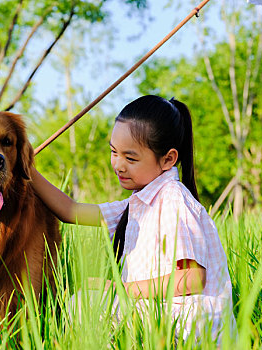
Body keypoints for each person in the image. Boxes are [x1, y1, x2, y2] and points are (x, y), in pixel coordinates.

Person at [31, 95, 236, 342]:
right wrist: (27, 167)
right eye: (113, 152)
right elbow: (71, 211)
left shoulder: (172, 199)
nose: (118, 165)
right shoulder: (138, 203)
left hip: (191, 327)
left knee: (84, 305)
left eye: (130, 158)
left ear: (168, 159)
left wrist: (120, 288)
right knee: (84, 303)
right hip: (162, 317)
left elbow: (192, 278)